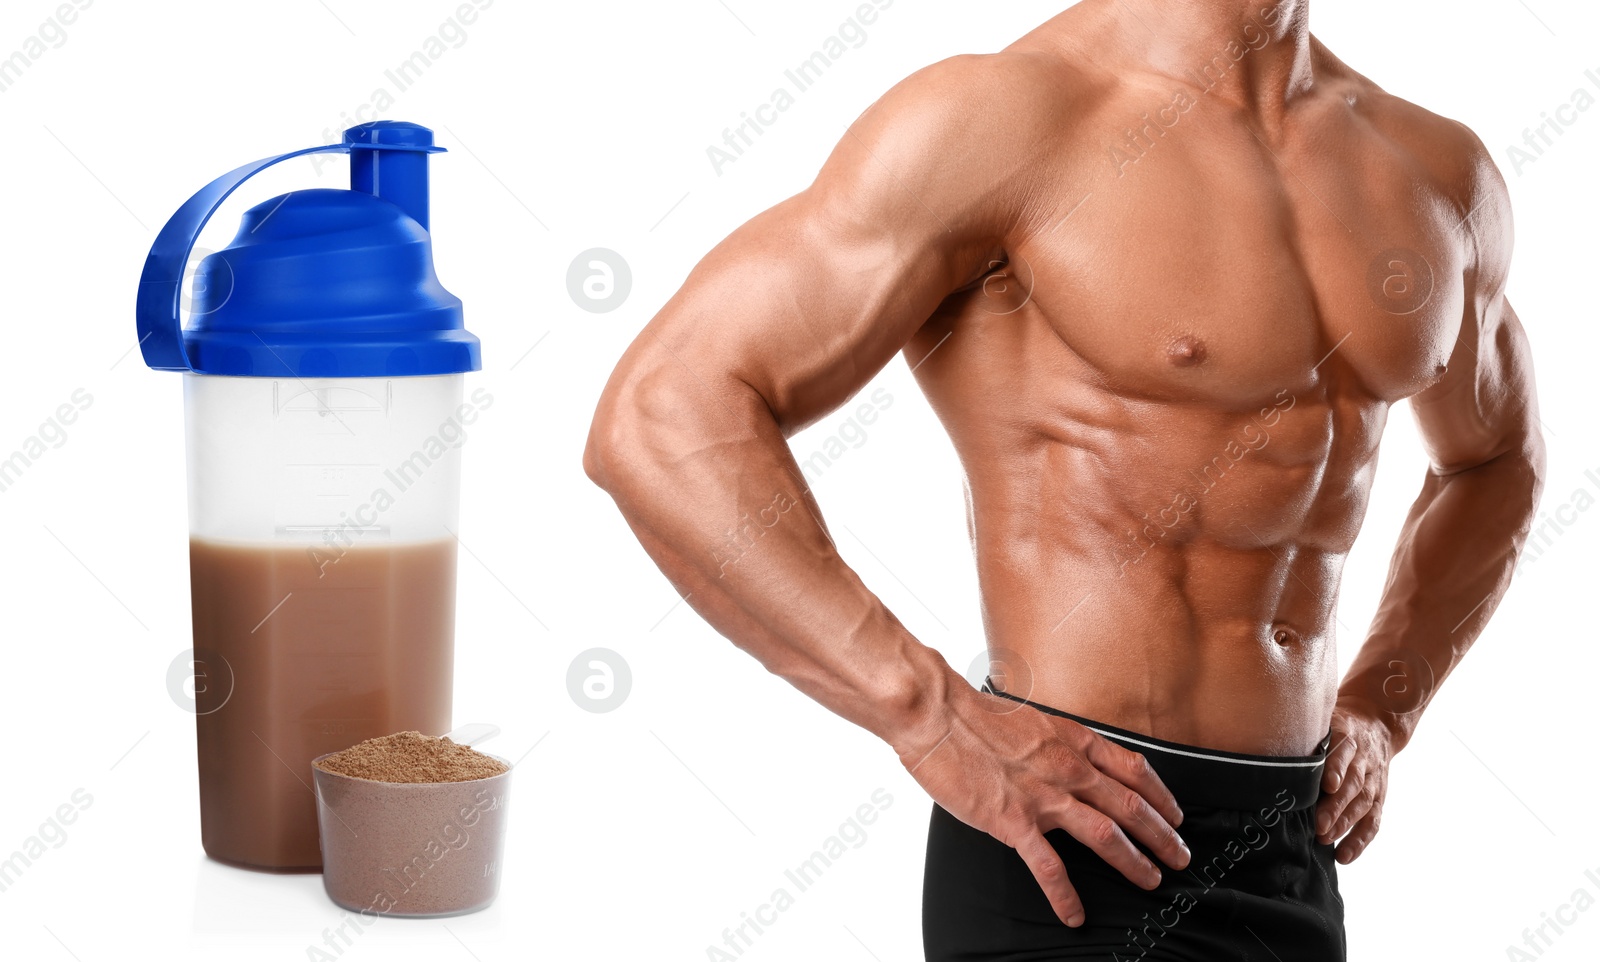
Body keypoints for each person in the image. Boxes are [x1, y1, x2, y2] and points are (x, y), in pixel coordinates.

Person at [583, 0, 1546, 957]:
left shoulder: (1433, 172)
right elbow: (663, 414)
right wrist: (931, 716)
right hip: (1072, 841)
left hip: (1296, 847)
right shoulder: (1007, 121)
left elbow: (1497, 461)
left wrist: (1382, 706)